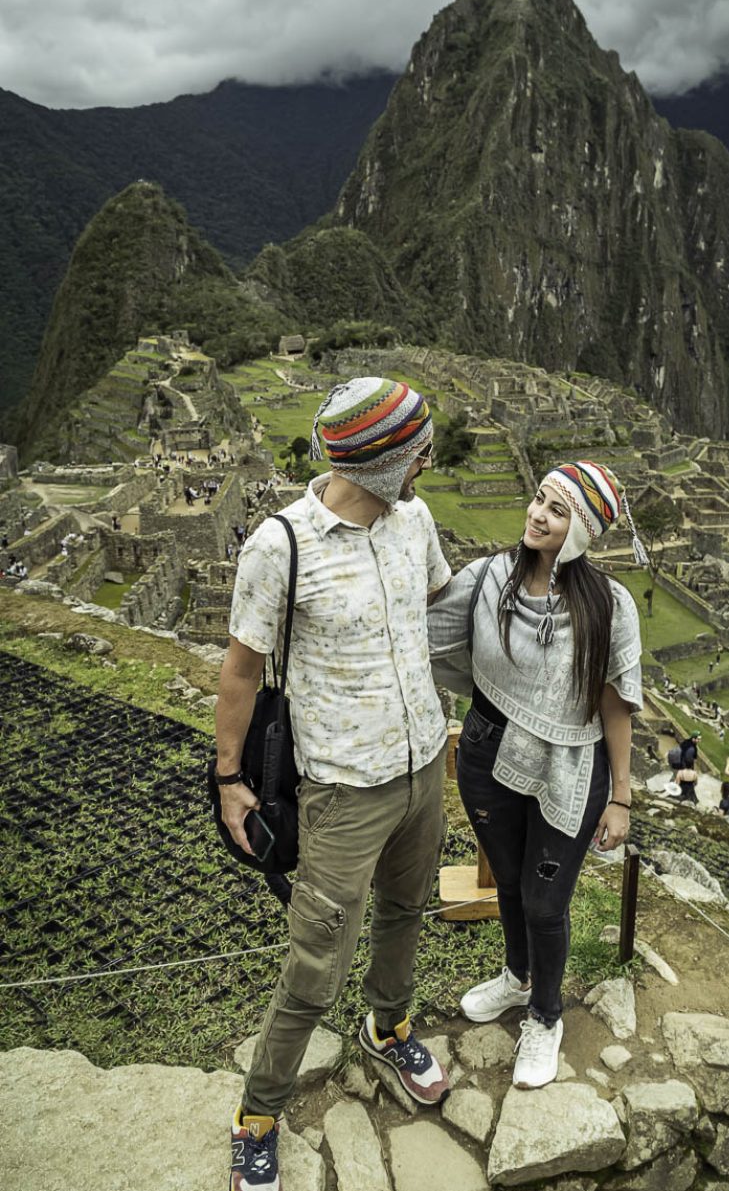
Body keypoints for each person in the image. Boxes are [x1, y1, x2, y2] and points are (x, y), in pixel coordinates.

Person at [215, 378, 452, 1191]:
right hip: (344, 788)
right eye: (417, 448)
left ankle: (390, 1029)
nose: (429, 459)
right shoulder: (282, 546)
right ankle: (258, 1114)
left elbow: (431, 612)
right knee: (316, 961)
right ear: (382, 460)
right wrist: (227, 779)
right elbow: (241, 673)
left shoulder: (413, 519)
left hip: (424, 765)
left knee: (406, 912)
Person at [429, 461, 644, 1090]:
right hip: (487, 753)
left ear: (579, 529)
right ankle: (517, 979)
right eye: (537, 499)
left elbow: (614, 702)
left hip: (570, 767)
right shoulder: (491, 576)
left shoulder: (609, 606)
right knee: (513, 888)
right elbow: (429, 627)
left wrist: (622, 798)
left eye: (555, 508)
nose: (536, 513)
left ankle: (546, 1018)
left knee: (547, 900)